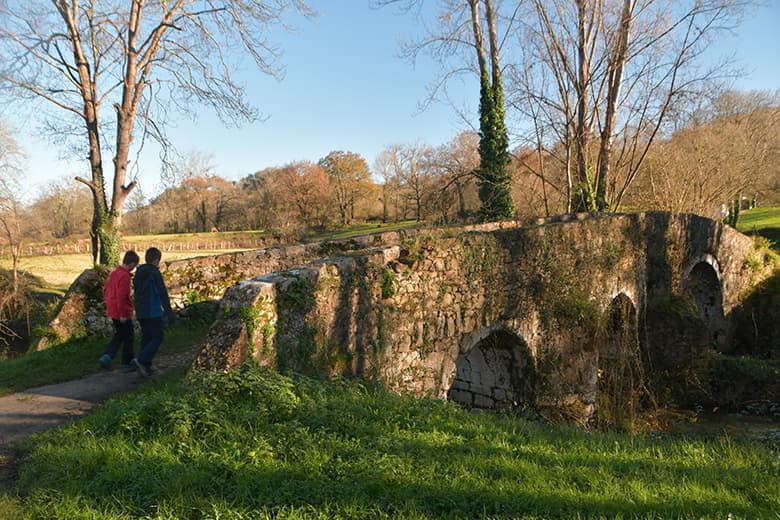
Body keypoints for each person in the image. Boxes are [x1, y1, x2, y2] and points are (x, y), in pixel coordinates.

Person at [131, 247, 176, 376]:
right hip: (153, 310)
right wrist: (169, 312)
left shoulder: (139, 272)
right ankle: (141, 360)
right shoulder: (154, 273)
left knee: (147, 337)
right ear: (156, 260)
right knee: (158, 337)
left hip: (140, 310)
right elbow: (162, 293)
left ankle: (146, 366)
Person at [99, 250, 140, 372]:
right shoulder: (125, 276)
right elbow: (122, 296)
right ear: (131, 263)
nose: (134, 269)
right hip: (121, 310)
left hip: (112, 308)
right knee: (129, 336)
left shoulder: (114, 273)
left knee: (120, 334)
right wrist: (123, 314)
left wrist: (108, 303)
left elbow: (105, 289)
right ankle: (127, 362)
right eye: (134, 265)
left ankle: (107, 356)